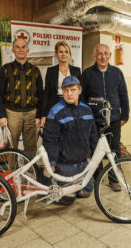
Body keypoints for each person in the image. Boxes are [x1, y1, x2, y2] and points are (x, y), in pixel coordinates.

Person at [81, 43, 129, 191]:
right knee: (95, 149)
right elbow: (82, 97)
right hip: (94, 119)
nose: (103, 57)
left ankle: (114, 179)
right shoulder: (87, 74)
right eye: (100, 54)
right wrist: (85, 116)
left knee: (114, 149)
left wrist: (125, 114)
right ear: (94, 56)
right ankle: (97, 177)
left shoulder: (117, 73)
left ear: (109, 55)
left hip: (114, 118)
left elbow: (123, 94)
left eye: (106, 53)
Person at [42, 76, 98, 205]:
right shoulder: (55, 111)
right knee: (68, 200)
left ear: (79, 90)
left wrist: (95, 157)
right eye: (65, 90)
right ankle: (56, 184)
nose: (69, 94)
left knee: (87, 192)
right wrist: (51, 162)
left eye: (73, 90)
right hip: (65, 165)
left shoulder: (87, 110)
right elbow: (50, 140)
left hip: (83, 164)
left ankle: (72, 186)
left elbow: (93, 135)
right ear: (62, 91)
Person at [0, 38, 43, 158]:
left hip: (31, 113)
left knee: (31, 145)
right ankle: (12, 173)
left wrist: (39, 115)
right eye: (17, 47)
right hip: (12, 113)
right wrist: (1, 115)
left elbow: (41, 94)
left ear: (28, 50)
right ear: (13, 50)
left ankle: (30, 171)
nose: (20, 50)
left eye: (23, 47)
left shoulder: (35, 71)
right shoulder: (5, 69)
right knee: (12, 145)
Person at [41, 41, 81, 127]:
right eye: (60, 52)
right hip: (55, 105)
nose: (63, 54)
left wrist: (81, 110)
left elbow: (80, 92)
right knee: (57, 131)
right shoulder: (51, 71)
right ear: (56, 54)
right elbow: (46, 93)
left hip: (73, 104)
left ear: (69, 54)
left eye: (66, 52)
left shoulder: (76, 70)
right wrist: (43, 115)